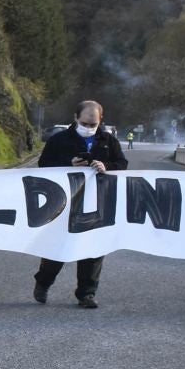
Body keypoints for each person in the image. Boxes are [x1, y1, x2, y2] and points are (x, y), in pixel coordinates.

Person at [32, 100, 128, 309]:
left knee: (93, 249)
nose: (89, 127)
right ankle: (43, 282)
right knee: (58, 247)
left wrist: (107, 166)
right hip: (64, 202)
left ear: (100, 121)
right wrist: (68, 164)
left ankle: (87, 294)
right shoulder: (58, 140)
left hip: (97, 202)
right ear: (76, 119)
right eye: (85, 123)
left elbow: (122, 164)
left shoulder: (109, 140)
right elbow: (43, 166)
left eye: (93, 124)